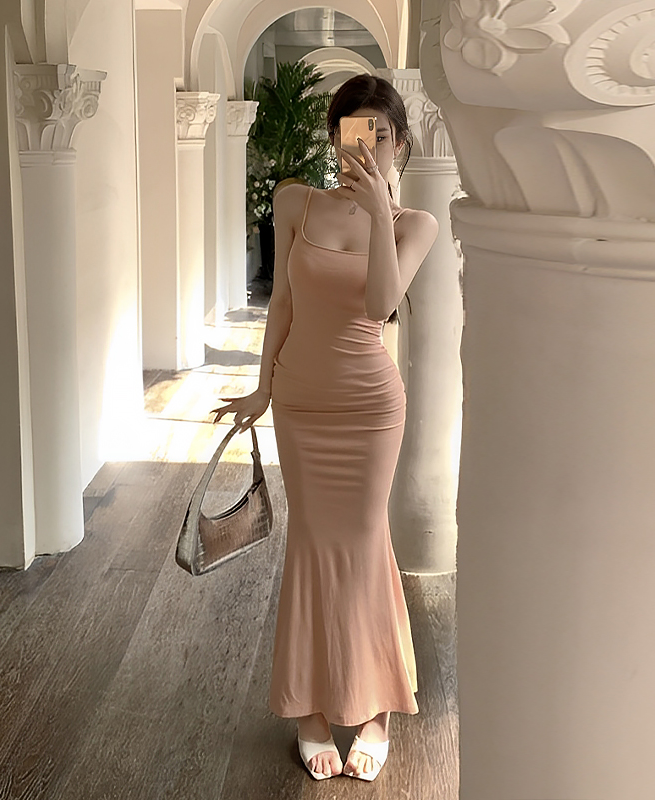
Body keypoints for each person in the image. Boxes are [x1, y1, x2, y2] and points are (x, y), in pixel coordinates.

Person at [213, 74, 439, 782]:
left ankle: (377, 709)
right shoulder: (295, 202)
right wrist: (261, 387)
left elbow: (380, 305)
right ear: (333, 138)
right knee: (311, 546)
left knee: (366, 546)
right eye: (350, 134)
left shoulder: (414, 226)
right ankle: (309, 709)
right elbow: (281, 302)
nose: (364, 148)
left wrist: (378, 209)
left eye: (379, 135)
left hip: (369, 408)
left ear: (400, 142)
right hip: (302, 403)